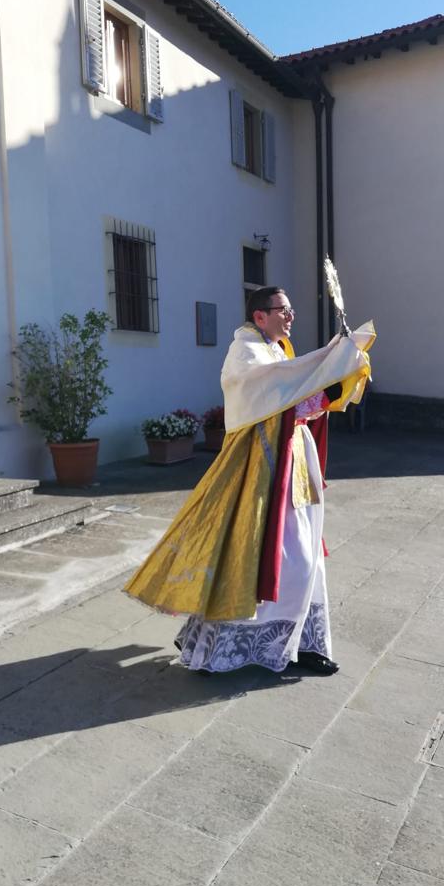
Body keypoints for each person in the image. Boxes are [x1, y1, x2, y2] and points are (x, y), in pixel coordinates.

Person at [124, 286, 374, 675]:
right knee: (272, 557)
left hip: (294, 467)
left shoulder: (278, 352)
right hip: (260, 473)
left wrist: (335, 370)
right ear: (260, 316)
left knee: (305, 557)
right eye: (283, 310)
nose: (290, 317)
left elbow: (298, 393)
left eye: (291, 310)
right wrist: (330, 363)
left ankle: (303, 644)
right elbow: (280, 393)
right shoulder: (246, 354)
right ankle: (233, 646)